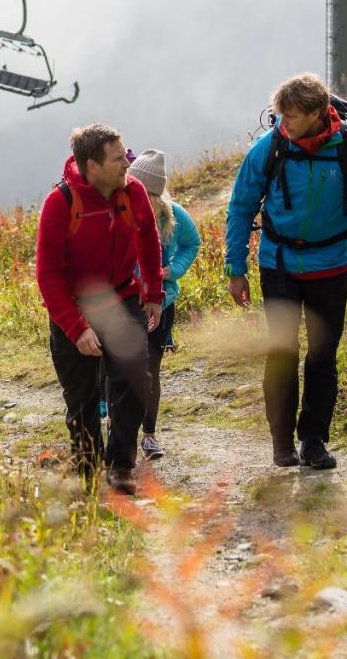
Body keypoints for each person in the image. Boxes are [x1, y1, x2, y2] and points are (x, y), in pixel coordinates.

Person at [224, 73, 347, 470]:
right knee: (283, 351)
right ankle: (281, 441)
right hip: (278, 264)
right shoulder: (267, 150)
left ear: (319, 113)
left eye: (292, 117)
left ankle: (314, 440)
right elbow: (240, 208)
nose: (283, 123)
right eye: (280, 115)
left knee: (323, 355)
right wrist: (236, 268)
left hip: (331, 265)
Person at [35, 124, 164, 495]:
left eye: (124, 154)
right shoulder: (60, 204)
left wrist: (153, 291)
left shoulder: (133, 191)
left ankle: (121, 466)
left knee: (136, 378)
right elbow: (48, 275)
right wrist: (77, 329)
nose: (127, 163)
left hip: (122, 297)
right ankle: (88, 469)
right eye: (117, 158)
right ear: (91, 165)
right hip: (73, 308)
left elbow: (147, 237)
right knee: (82, 397)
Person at [126, 149, 201, 461]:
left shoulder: (172, 215)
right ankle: (121, 431)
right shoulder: (119, 209)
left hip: (162, 301)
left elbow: (192, 243)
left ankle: (149, 435)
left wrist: (174, 269)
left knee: (151, 369)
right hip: (126, 302)